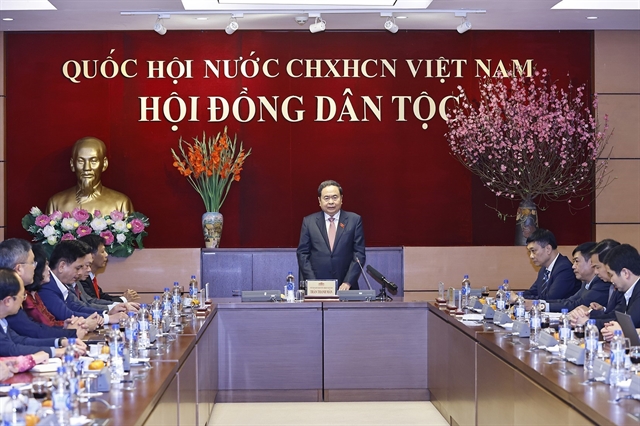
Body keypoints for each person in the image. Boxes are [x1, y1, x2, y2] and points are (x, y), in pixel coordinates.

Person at [0, 239, 87, 339]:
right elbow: (32, 331)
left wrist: (64, 328)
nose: (35, 267)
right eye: (32, 263)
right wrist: (71, 333)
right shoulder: (8, 294)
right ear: (19, 268)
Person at [297, 180, 366, 291]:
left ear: (341, 199)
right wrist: (313, 282)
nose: (331, 202)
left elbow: (359, 254)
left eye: (335, 197)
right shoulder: (309, 222)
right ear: (319, 201)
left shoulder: (354, 220)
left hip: (345, 286)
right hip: (316, 286)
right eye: (326, 198)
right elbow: (303, 254)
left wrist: (348, 281)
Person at [39, 240, 124, 325]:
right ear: (62, 266)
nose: (80, 273)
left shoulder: (61, 283)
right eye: (78, 268)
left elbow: (76, 307)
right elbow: (65, 315)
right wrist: (107, 318)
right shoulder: (46, 285)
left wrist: (106, 314)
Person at [0, 268, 77, 358]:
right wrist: (55, 352)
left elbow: (21, 340)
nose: (24, 299)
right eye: (22, 295)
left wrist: (60, 342)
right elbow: (11, 350)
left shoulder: (3, 321)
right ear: (8, 301)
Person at [46, 136, 134, 214]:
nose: (87, 168)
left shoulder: (121, 203)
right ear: (72, 164)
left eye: (93, 161)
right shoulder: (56, 203)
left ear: (104, 164)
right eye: (81, 161)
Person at [526, 242, 609, 312]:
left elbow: (577, 305)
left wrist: (540, 306)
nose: (573, 266)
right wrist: (538, 304)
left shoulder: (601, 283)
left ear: (591, 262)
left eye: (577, 261)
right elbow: (570, 300)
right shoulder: (586, 283)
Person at [569, 239, 622, 327]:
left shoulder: (618, 286)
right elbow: (613, 314)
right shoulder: (613, 285)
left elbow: (623, 320)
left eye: (597, 267)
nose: (596, 272)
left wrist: (587, 322)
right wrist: (601, 310)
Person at [519, 228, 580, 300]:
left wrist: (518, 298)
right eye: (530, 252)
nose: (531, 256)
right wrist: (517, 296)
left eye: (533, 251)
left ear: (548, 249)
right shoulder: (544, 269)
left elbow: (550, 299)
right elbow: (532, 292)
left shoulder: (564, 269)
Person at [78, 234, 139, 302]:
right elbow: (93, 302)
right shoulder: (81, 279)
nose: (106, 255)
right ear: (90, 255)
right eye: (102, 251)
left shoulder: (90, 278)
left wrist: (123, 298)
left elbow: (102, 297)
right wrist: (124, 299)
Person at [597, 244, 640, 339]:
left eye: (611, 275)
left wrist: (616, 329)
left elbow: (629, 325)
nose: (611, 280)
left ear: (625, 273)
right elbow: (616, 317)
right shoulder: (628, 292)